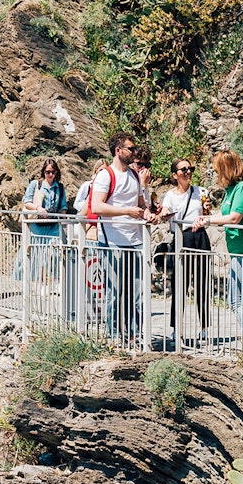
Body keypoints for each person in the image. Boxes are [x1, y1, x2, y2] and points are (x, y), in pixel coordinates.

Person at [194, 151, 243, 347]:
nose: (216, 175)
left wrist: (207, 220)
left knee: (237, 299)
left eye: (218, 170)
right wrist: (209, 215)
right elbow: (226, 215)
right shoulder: (231, 190)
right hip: (237, 249)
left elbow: (234, 217)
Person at [90, 132, 152, 344]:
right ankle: (115, 335)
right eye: (131, 149)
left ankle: (135, 334)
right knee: (115, 292)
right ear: (118, 151)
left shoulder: (135, 176)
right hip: (112, 240)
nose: (135, 153)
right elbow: (97, 206)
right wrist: (126, 211)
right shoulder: (105, 175)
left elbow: (141, 205)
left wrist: (148, 213)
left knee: (137, 292)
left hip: (135, 239)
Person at [161, 158, 211, 344]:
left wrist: (207, 211)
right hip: (182, 237)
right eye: (183, 169)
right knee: (179, 285)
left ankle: (205, 327)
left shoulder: (200, 191)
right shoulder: (171, 195)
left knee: (202, 284)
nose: (188, 172)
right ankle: (176, 328)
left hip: (200, 237)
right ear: (175, 175)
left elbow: (206, 215)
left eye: (190, 168)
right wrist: (165, 214)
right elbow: (165, 211)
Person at [23, 158, 68, 284]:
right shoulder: (36, 184)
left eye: (53, 172)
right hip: (38, 225)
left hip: (53, 225)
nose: (50, 175)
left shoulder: (59, 187)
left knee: (55, 253)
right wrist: (38, 208)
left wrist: (63, 220)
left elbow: (63, 206)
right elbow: (26, 201)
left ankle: (56, 280)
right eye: (48, 172)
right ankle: (41, 282)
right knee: (39, 255)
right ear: (43, 172)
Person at [74, 159, 107, 241]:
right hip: (87, 220)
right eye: (101, 170)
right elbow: (77, 203)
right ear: (96, 170)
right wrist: (90, 205)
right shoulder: (87, 185)